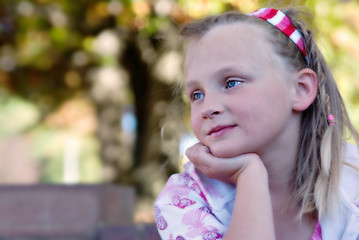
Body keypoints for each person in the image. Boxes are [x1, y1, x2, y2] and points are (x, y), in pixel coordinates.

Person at [154, 7, 359, 240]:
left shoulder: (353, 188)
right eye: (197, 95)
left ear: (300, 89)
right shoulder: (186, 199)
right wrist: (249, 173)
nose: (208, 107)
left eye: (231, 83)